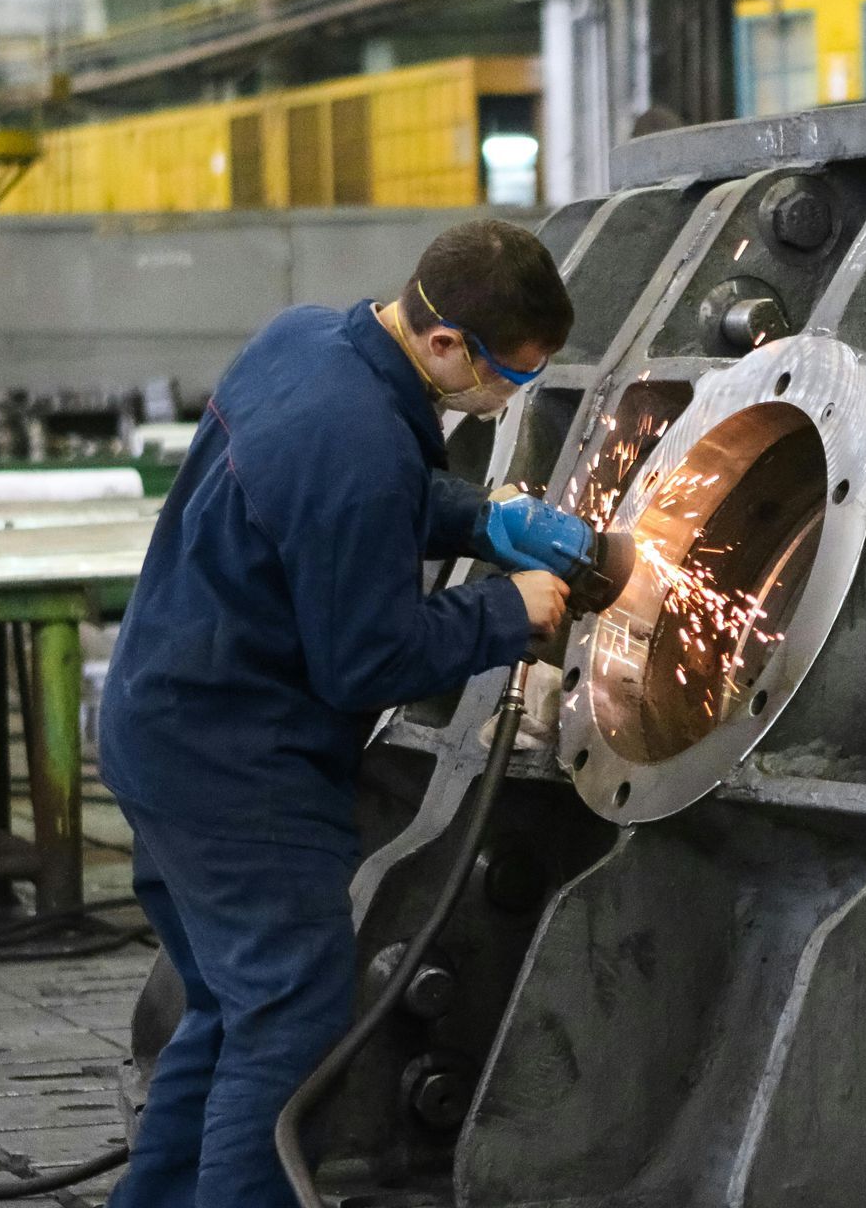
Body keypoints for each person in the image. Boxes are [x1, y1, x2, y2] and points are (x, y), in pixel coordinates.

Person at [98, 219, 574, 1208]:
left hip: (163, 720)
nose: (507, 396)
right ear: (448, 345)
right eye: (508, 377)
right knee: (289, 1016)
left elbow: (350, 497)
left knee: (228, 1007)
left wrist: (485, 517)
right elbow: (367, 656)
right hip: (235, 765)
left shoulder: (307, 339)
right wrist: (506, 607)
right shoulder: (353, 438)